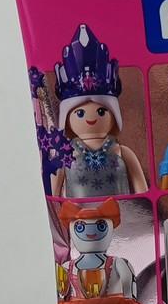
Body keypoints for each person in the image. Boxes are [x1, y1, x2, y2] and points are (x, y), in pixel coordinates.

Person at [48, 25, 148, 198]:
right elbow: (53, 195)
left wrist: (144, 206)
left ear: (113, 114)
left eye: (101, 111)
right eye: (80, 113)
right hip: (79, 214)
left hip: (122, 212)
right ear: (67, 117)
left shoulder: (122, 152)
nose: (91, 117)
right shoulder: (64, 155)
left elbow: (142, 191)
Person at [58, 197, 136, 300]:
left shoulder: (118, 263)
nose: (90, 232)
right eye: (80, 227)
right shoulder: (67, 267)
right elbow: (60, 297)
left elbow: (129, 293)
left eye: (101, 226)